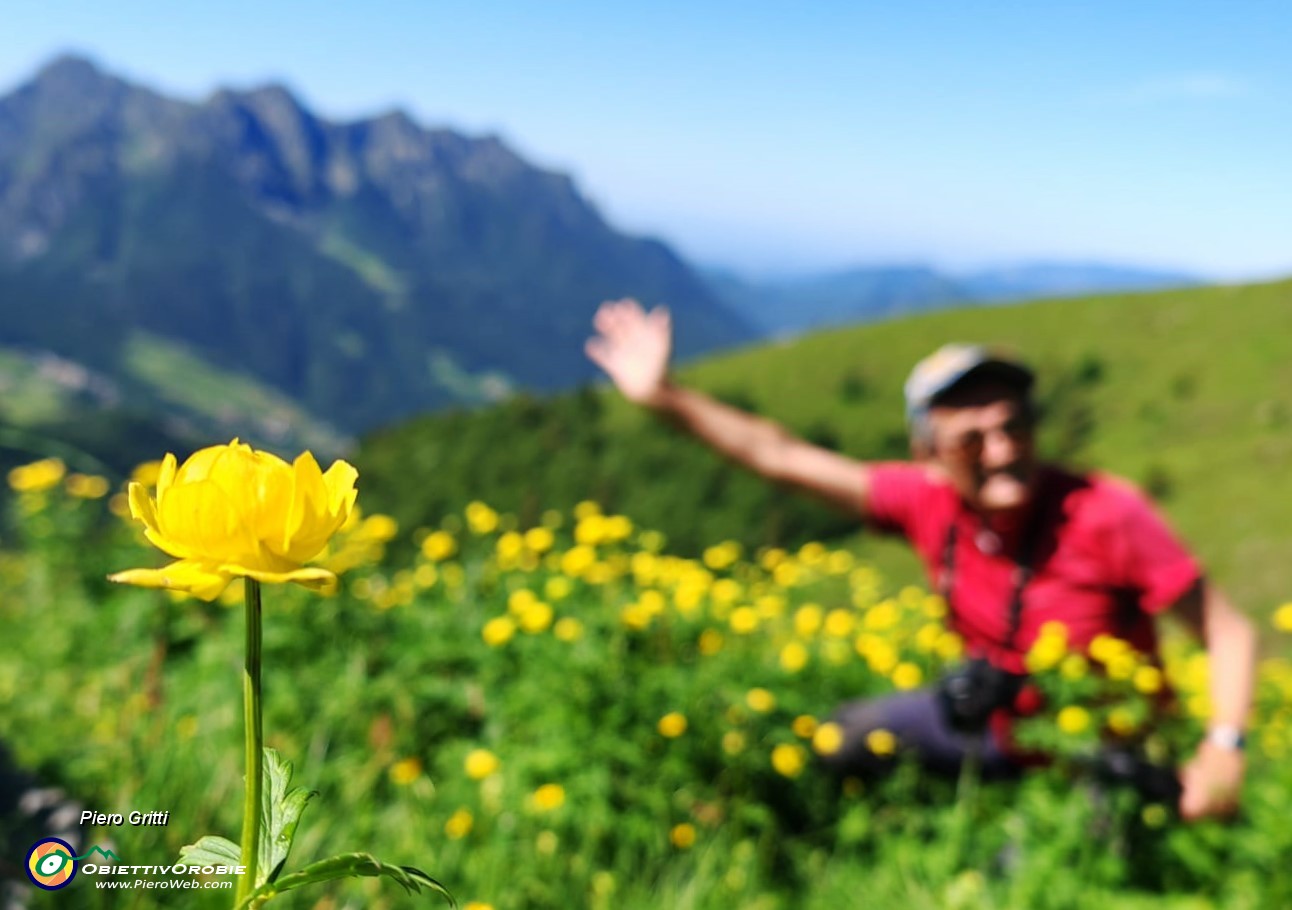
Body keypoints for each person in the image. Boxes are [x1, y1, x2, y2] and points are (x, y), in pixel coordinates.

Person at [585, 297, 1256, 821]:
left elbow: (1227, 631)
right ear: (928, 455)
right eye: (971, 440)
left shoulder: (1107, 511)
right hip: (991, 723)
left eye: (1014, 425)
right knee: (838, 738)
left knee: (1028, 880)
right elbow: (779, 455)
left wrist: (1223, 748)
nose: (1002, 451)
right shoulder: (922, 501)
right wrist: (662, 398)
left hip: (1101, 750)